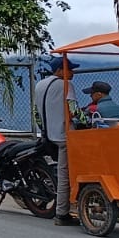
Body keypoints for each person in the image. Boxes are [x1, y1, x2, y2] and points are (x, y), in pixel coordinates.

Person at [33, 57, 75, 226]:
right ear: (60, 70)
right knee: (65, 175)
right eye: (70, 69)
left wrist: (45, 129)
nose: (73, 72)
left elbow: (37, 113)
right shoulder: (66, 85)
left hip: (48, 135)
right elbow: (73, 110)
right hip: (65, 136)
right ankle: (62, 213)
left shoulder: (40, 85)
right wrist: (84, 120)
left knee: (61, 171)